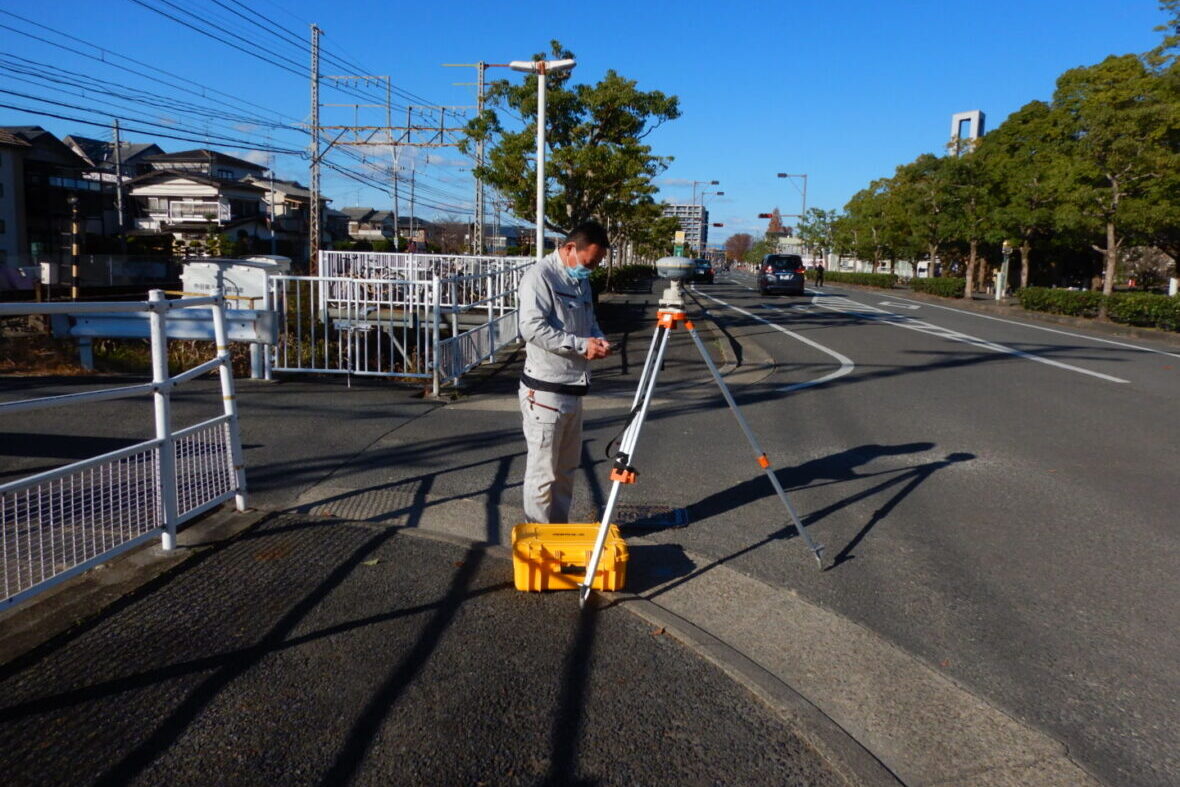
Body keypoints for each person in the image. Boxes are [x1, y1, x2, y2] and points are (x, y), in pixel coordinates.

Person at [517, 220, 612, 524]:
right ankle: (539, 543)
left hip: (573, 389)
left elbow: (589, 319)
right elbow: (531, 328)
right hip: (545, 391)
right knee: (543, 475)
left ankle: (557, 535)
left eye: (597, 264)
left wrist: (597, 338)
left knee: (566, 472)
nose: (591, 269)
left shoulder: (580, 281)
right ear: (571, 248)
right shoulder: (539, 277)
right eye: (590, 262)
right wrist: (581, 346)